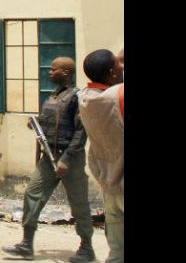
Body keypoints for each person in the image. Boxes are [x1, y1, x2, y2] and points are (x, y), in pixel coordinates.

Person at [2, 57, 95, 262]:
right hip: (49, 157)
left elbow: (81, 133)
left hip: (69, 159)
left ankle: (86, 248)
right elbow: (49, 121)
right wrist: (35, 123)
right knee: (32, 194)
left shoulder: (77, 97)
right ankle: (26, 244)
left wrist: (66, 160)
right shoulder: (54, 96)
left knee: (79, 204)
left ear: (66, 72)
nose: (50, 72)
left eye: (54, 70)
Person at [78, 49, 124, 263]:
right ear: (113, 73)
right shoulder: (118, 97)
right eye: (119, 64)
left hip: (110, 184)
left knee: (117, 252)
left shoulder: (86, 98)